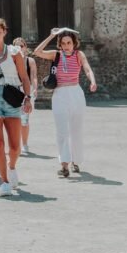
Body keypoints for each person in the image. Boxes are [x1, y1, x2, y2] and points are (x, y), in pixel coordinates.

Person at [33, 28, 98, 177]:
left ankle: (76, 160)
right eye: (63, 43)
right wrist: (51, 35)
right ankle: (64, 165)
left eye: (69, 42)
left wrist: (92, 81)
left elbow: (87, 69)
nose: (66, 45)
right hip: (60, 94)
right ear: (60, 45)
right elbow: (37, 51)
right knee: (62, 130)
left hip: (76, 93)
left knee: (77, 130)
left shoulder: (79, 55)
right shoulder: (56, 55)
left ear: (74, 43)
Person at [0, 18, 33, 195]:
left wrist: (28, 98)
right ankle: (4, 181)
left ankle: (11, 167)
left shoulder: (15, 52)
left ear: (4, 32)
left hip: (12, 97)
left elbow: (24, 78)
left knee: (15, 146)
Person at [13, 37, 38, 155]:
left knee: (24, 120)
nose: (19, 48)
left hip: (25, 91)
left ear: (25, 48)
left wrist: (35, 88)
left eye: (21, 46)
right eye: (16, 46)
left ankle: (25, 144)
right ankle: (15, 144)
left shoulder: (30, 61)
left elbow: (33, 76)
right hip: (13, 91)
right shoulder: (10, 60)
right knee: (13, 119)